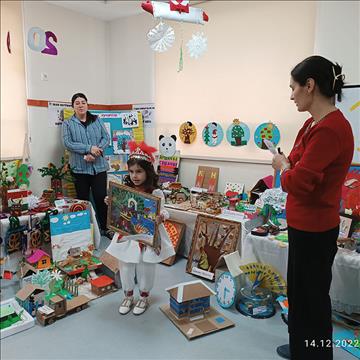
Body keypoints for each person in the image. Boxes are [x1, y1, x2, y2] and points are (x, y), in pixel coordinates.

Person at [272, 56, 354, 360]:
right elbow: (296, 161)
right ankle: (299, 346)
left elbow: (298, 181)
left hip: (315, 227)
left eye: (293, 87)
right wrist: (289, 166)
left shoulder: (330, 129)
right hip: (302, 223)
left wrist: (284, 168)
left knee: (313, 298)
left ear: (310, 85)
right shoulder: (311, 123)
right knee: (299, 294)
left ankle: (315, 354)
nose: (291, 94)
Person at [105, 141, 175, 316]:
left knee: (146, 266)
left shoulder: (156, 193)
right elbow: (119, 210)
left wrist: (161, 217)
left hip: (147, 236)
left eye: (139, 171)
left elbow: (165, 211)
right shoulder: (125, 190)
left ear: (148, 172)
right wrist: (111, 203)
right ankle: (128, 295)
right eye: (131, 171)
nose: (134, 175)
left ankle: (144, 296)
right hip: (127, 234)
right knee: (126, 265)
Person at [62, 93, 111, 237]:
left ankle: (105, 228)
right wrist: (89, 148)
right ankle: (86, 231)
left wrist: (95, 153)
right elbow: (68, 143)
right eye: (77, 103)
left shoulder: (97, 120)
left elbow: (106, 138)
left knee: (101, 199)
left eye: (83, 102)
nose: (81, 105)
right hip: (79, 169)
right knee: (83, 201)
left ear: (87, 104)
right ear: (73, 107)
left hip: (99, 168)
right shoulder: (68, 123)